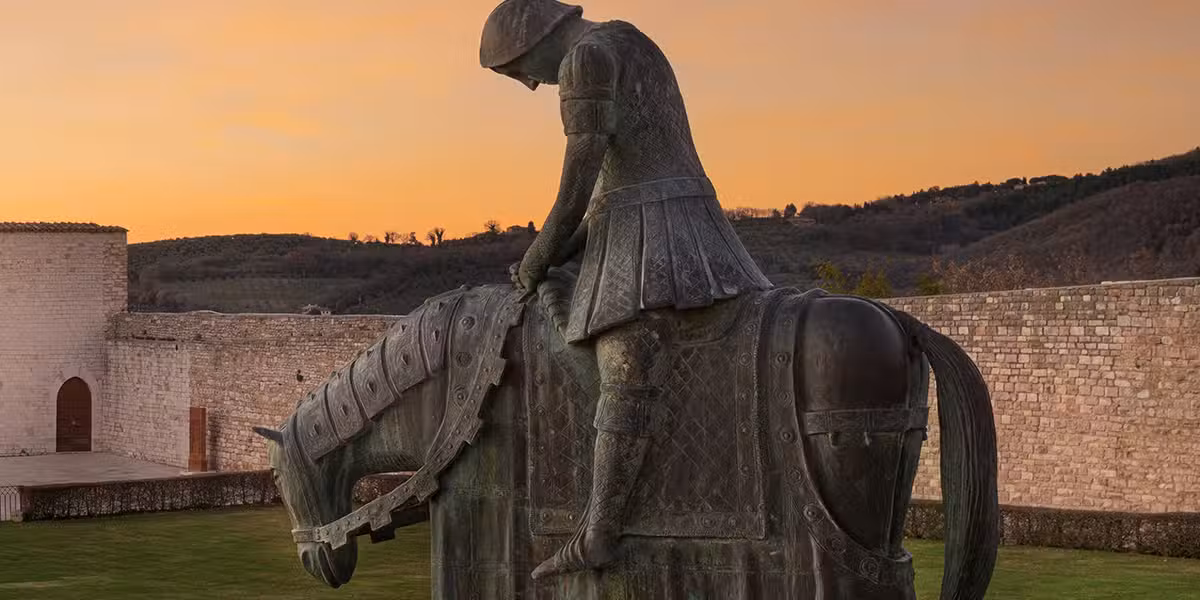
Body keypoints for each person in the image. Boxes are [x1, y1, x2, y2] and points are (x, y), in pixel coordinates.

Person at [480, 0, 773, 579]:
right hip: (655, 214)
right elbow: (618, 182)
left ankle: (599, 531)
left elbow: (580, 179)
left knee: (624, 363)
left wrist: (541, 252)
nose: (529, 85)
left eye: (517, 72)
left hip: (657, 229)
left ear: (533, 41)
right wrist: (560, 252)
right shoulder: (627, 38)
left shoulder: (584, 59)